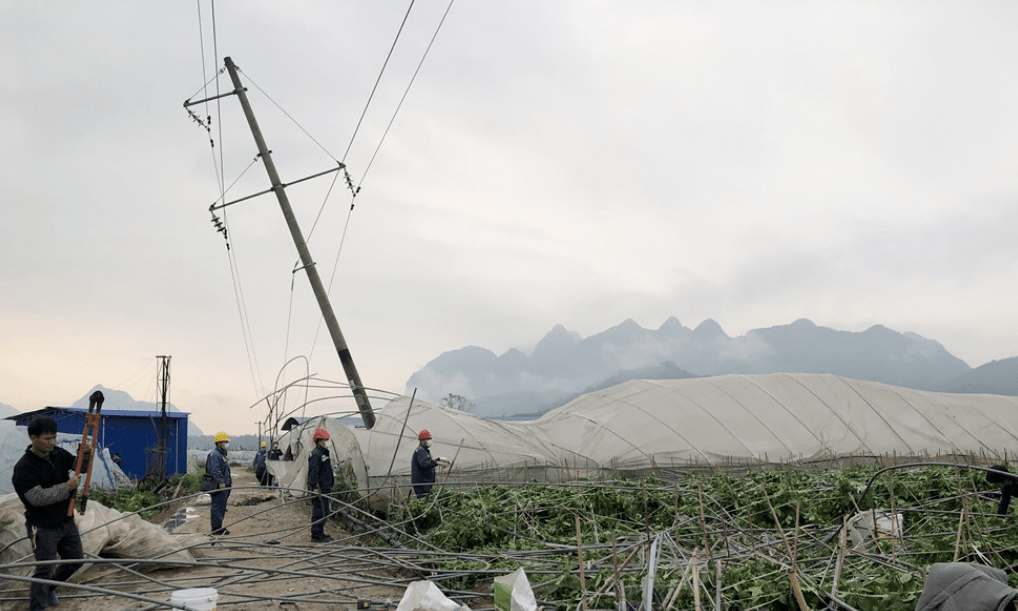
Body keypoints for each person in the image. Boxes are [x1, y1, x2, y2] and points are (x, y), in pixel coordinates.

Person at [11, 416, 86, 611]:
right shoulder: (24, 468)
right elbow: (38, 498)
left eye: (54, 437)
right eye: (47, 438)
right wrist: (66, 487)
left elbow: (80, 467)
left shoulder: (57, 453)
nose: (52, 442)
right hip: (42, 526)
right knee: (44, 568)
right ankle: (37, 606)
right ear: (33, 438)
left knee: (76, 559)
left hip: (65, 520)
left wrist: (84, 456)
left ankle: (50, 589)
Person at [307, 429, 334, 542]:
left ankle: (320, 532)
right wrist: (315, 487)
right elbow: (313, 472)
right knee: (319, 510)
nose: (325, 442)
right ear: (319, 441)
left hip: (325, 486)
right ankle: (316, 535)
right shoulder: (316, 455)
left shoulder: (323, 453)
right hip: (320, 488)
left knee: (324, 511)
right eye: (324, 440)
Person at [206, 432, 232, 535]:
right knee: (217, 507)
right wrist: (221, 482)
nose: (226, 444)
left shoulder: (221, 455)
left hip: (225, 485)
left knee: (221, 507)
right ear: (220, 442)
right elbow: (215, 470)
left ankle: (218, 527)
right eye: (225, 442)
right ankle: (216, 529)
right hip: (219, 485)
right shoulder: (215, 455)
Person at [410, 430, 448, 499]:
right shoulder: (420, 451)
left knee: (427, 500)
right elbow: (425, 463)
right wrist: (438, 463)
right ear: (422, 440)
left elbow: (428, 462)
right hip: (422, 484)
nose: (429, 441)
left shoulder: (424, 451)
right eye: (428, 439)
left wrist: (438, 460)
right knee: (424, 501)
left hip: (425, 483)